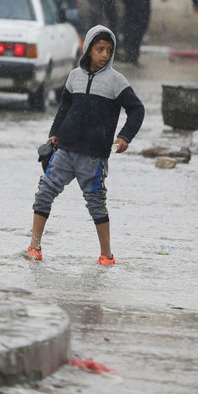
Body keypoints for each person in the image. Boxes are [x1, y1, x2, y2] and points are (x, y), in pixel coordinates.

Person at [26, 25, 145, 265]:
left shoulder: (116, 81)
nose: (104, 54)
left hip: (93, 157)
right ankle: (34, 247)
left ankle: (106, 256)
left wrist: (125, 137)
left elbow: (137, 109)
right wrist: (53, 135)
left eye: (109, 50)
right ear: (88, 50)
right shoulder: (73, 77)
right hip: (65, 151)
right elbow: (64, 109)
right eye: (99, 49)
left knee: (96, 203)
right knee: (44, 193)